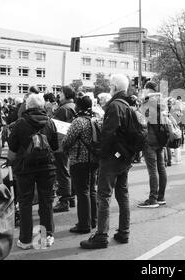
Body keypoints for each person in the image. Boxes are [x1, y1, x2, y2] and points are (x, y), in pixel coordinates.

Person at [80, 75, 135, 249]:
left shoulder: (115, 105)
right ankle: (124, 232)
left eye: (111, 85)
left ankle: (101, 235)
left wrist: (100, 153)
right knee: (122, 194)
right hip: (124, 156)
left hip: (112, 157)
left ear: (114, 86)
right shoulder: (128, 104)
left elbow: (108, 133)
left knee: (104, 195)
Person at [8, 94, 59, 249]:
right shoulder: (50, 122)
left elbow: (12, 147)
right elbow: (55, 146)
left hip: (25, 168)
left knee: (25, 202)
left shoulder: (20, 123)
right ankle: (45, 237)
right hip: (47, 167)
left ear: (27, 106)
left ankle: (25, 240)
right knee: (46, 201)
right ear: (43, 106)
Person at [62, 95, 99, 234]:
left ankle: (84, 224)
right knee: (91, 190)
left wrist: (64, 147)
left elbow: (67, 141)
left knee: (82, 192)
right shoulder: (95, 119)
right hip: (94, 160)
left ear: (79, 107)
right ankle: (93, 221)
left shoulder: (78, 121)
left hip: (79, 160)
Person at [138, 81, 168, 208]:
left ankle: (152, 199)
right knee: (161, 168)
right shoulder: (161, 102)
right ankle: (161, 197)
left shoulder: (147, 102)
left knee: (153, 170)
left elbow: (142, 121)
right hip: (160, 139)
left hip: (149, 139)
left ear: (148, 89)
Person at [53, 86, 77, 213]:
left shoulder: (63, 109)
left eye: (61, 93)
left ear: (66, 94)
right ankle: (71, 197)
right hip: (71, 143)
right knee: (69, 171)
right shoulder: (73, 106)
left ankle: (64, 201)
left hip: (60, 144)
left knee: (62, 173)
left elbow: (54, 127)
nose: (59, 95)